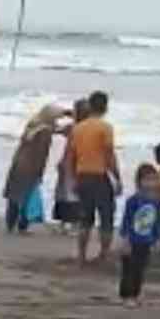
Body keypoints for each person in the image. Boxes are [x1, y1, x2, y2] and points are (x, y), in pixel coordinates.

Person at [67, 89, 122, 266]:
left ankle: (81, 256)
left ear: (90, 106)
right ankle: (103, 255)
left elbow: (71, 157)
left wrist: (72, 179)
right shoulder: (105, 128)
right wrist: (117, 177)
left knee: (85, 219)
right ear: (105, 108)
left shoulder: (78, 129)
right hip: (99, 176)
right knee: (106, 217)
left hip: (82, 176)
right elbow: (109, 155)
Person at [3, 104, 68, 235]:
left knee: (14, 196)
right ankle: (22, 227)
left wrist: (67, 113)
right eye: (56, 118)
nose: (57, 121)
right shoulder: (45, 132)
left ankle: (10, 224)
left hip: (18, 163)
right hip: (30, 167)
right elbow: (40, 154)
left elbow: (56, 129)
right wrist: (39, 172)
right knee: (27, 197)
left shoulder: (33, 124)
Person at [119, 163, 160, 305]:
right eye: (147, 180)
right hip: (133, 240)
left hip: (146, 241)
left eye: (153, 179)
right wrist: (125, 240)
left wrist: (158, 239)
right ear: (139, 182)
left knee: (140, 269)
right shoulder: (133, 201)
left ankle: (136, 293)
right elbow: (126, 221)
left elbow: (158, 222)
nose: (150, 183)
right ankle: (128, 295)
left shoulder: (157, 202)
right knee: (130, 269)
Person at [52, 98, 89, 233]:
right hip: (80, 163)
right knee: (75, 193)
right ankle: (73, 224)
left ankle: (67, 223)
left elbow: (55, 130)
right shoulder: (84, 127)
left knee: (67, 193)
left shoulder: (73, 127)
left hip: (69, 162)